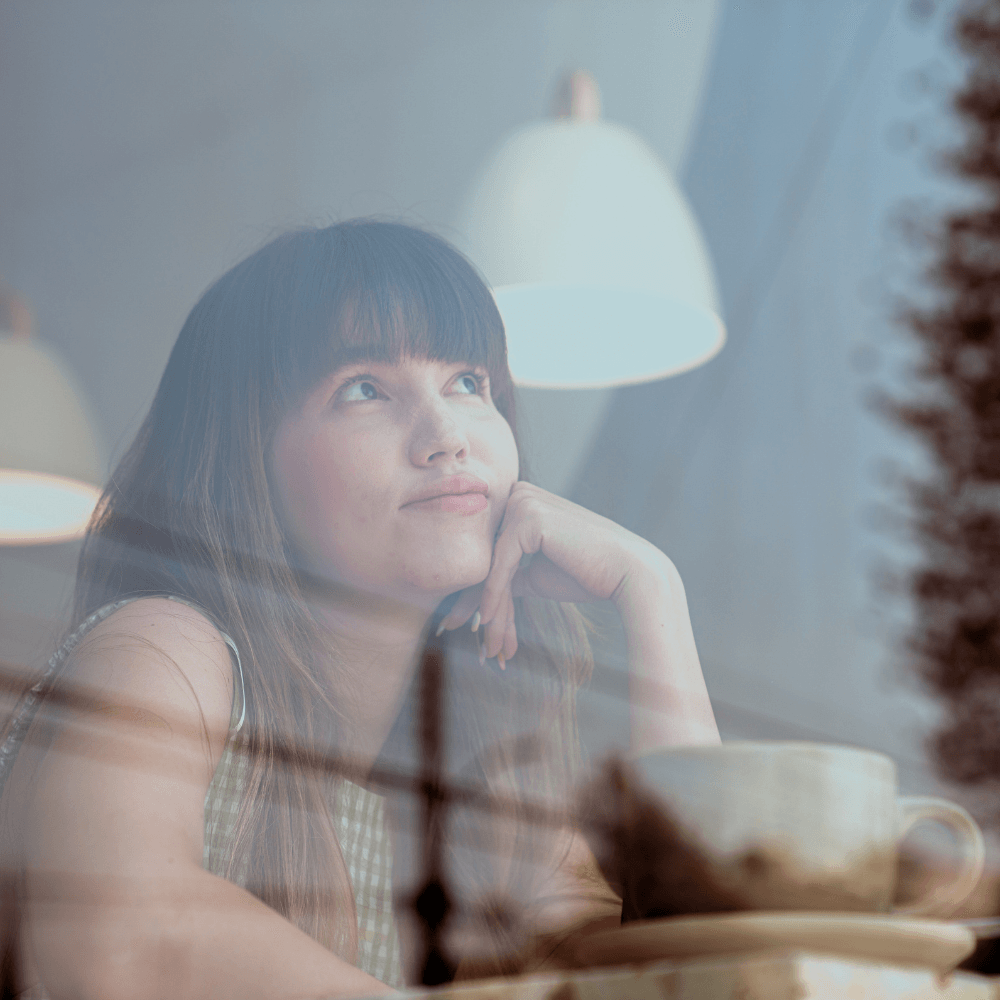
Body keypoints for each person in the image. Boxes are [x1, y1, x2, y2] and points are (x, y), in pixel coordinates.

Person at [0, 219, 719, 999]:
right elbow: (119, 944)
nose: (447, 435)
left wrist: (652, 595)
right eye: (365, 389)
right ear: (247, 454)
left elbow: (699, 975)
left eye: (469, 383)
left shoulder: (472, 769)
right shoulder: (165, 650)